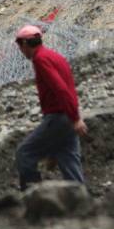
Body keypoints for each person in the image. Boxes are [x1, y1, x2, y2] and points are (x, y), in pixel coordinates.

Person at [14, 25, 87, 190]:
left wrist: (75, 118)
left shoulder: (40, 59)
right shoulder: (55, 56)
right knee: (68, 160)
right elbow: (70, 88)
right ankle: (82, 203)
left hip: (58, 117)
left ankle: (32, 196)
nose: (20, 51)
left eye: (20, 46)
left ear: (25, 43)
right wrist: (74, 115)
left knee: (24, 153)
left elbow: (60, 88)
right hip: (67, 116)